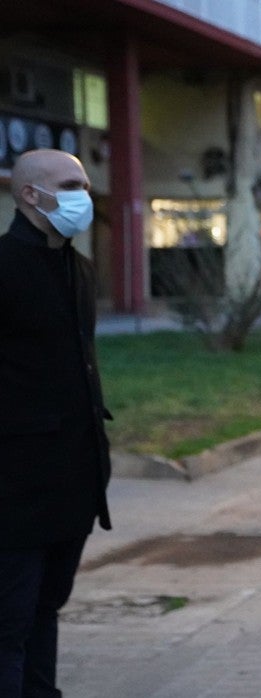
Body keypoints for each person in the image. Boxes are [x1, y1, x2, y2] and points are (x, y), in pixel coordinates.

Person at [0, 149, 112, 697]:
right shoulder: (3, 267)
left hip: (74, 485)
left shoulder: (80, 268)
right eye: (71, 185)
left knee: (46, 611)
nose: (83, 197)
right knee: (8, 625)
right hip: (14, 490)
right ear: (30, 195)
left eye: (86, 186)